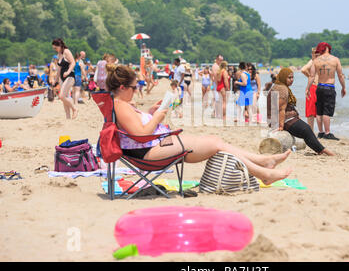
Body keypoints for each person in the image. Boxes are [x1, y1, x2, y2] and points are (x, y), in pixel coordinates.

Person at [106, 63, 292, 185]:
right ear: (122, 88)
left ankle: (264, 162)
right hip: (148, 153)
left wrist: (149, 113)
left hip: (154, 146)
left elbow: (134, 129)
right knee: (216, 144)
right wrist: (157, 118)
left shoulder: (122, 105)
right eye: (133, 87)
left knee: (215, 140)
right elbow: (140, 135)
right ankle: (264, 173)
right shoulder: (120, 105)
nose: (135, 90)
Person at [268, 67, 334, 156]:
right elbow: (280, 109)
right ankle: (323, 150)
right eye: (289, 78)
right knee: (306, 129)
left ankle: (320, 149)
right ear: (283, 77)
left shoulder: (280, 86)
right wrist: (280, 126)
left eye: (292, 77)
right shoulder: (282, 89)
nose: (292, 80)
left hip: (283, 118)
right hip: (280, 120)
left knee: (306, 129)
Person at [306, 42, 346, 140]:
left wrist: (307, 88)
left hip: (319, 87)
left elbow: (311, 76)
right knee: (327, 111)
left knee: (319, 111)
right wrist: (343, 87)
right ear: (329, 48)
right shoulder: (335, 59)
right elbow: (340, 75)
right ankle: (327, 133)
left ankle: (320, 132)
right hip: (329, 87)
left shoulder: (316, 61)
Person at [52, 38, 77, 119]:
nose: (55, 50)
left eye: (56, 48)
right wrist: (55, 80)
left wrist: (68, 71)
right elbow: (59, 69)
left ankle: (75, 109)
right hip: (62, 78)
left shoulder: (66, 51)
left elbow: (73, 62)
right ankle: (68, 118)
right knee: (64, 98)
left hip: (69, 76)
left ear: (60, 45)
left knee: (62, 96)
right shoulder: (59, 54)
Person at [301, 48, 319, 132]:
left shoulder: (316, 61)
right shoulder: (312, 61)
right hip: (314, 87)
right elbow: (303, 69)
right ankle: (312, 130)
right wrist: (310, 77)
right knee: (312, 111)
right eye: (315, 53)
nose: (316, 55)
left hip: (316, 87)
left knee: (315, 110)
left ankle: (316, 130)